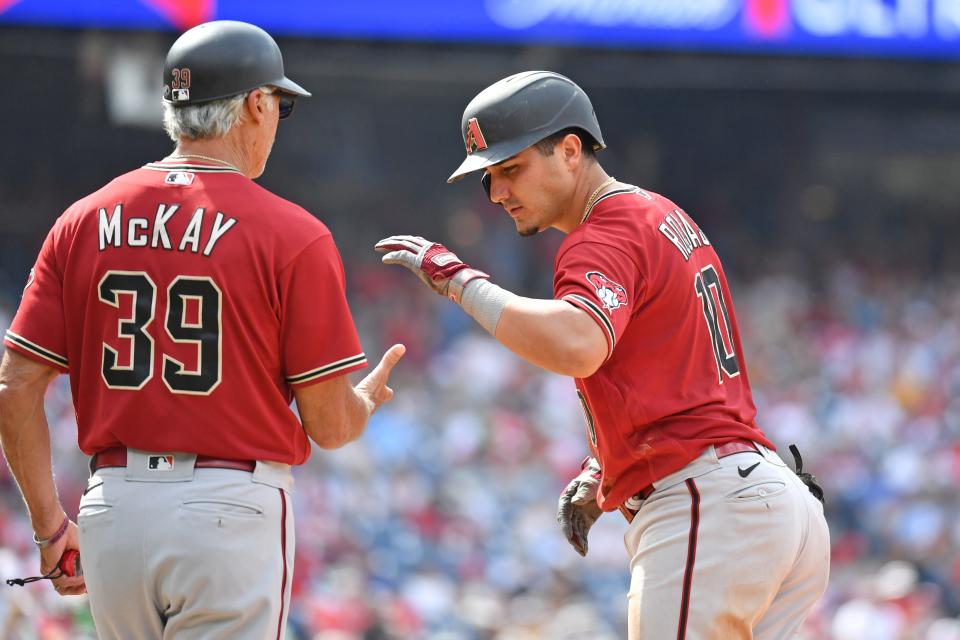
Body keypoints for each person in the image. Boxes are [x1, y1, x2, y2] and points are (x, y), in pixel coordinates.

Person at [376, 70, 829, 638]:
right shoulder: (655, 214)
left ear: (570, 151)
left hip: (707, 501)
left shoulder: (602, 231)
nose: (497, 193)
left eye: (511, 169)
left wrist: (461, 282)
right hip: (764, 499)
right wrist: (607, 464)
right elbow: (672, 366)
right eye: (489, 178)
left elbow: (578, 344)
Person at [0, 20, 403, 639]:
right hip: (228, 509)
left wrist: (50, 527)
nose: (276, 120)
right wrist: (361, 404)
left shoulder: (82, 219)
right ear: (255, 104)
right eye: (279, 106)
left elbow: (15, 385)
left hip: (114, 509)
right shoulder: (292, 234)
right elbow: (329, 427)